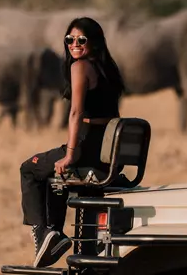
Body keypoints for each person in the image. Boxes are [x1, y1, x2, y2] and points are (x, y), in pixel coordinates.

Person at [19, 17, 125, 268]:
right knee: (54, 177)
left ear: (95, 42)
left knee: (30, 169)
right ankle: (57, 238)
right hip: (106, 155)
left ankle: (44, 232)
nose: (74, 44)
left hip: (85, 148)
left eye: (81, 40)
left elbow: (76, 112)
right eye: (70, 39)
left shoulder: (80, 67)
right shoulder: (107, 69)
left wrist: (69, 154)